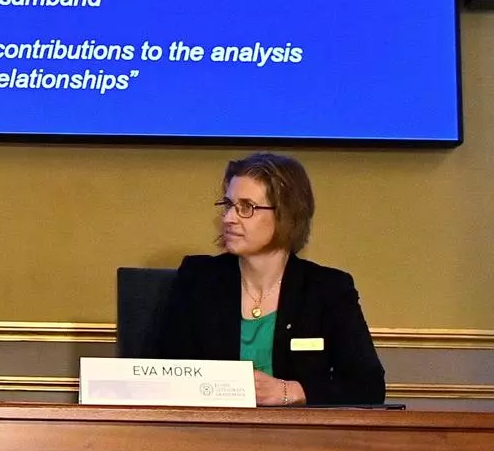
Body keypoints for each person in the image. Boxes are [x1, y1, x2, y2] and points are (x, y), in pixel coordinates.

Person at [149, 152, 384, 406]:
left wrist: (289, 391)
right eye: (228, 205)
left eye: (246, 207)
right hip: (211, 427)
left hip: (297, 431)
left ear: (286, 214)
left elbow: (368, 385)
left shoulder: (327, 289)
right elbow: (162, 377)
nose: (228, 218)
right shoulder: (198, 279)